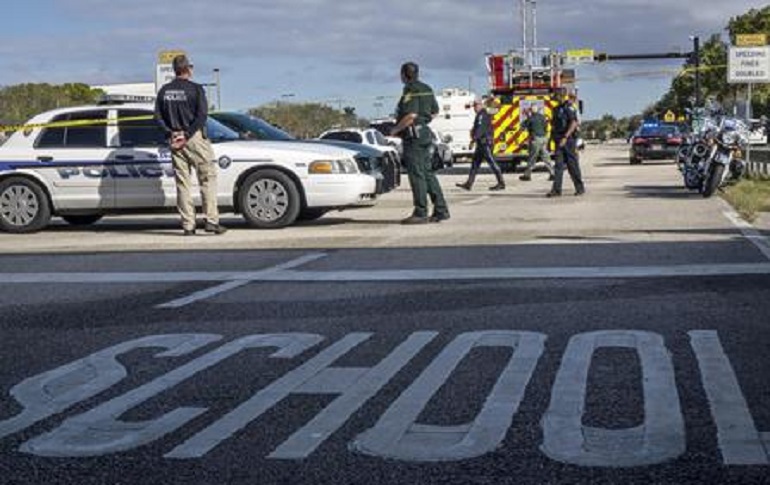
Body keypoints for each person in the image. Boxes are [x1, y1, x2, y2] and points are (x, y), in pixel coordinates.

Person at [155, 54, 226, 235]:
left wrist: (171, 133)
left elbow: (157, 117)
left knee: (182, 183)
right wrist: (187, 134)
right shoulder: (196, 89)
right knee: (207, 178)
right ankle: (211, 220)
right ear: (187, 69)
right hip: (193, 137)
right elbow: (202, 116)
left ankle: (188, 225)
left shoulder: (164, 91)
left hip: (174, 138)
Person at [390, 62, 450, 224]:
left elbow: (411, 115)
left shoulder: (411, 90)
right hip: (424, 134)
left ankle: (421, 211)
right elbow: (435, 111)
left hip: (413, 137)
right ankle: (440, 209)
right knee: (428, 173)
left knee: (417, 175)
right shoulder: (427, 88)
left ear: (404, 74)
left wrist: (395, 130)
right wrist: (425, 120)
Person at [456, 97, 505, 191]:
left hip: (485, 143)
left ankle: (501, 183)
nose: (474, 108)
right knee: (475, 164)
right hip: (481, 143)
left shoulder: (482, 114)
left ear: (480, 105)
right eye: (474, 106)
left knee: (492, 162)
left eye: (475, 106)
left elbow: (480, 129)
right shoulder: (482, 113)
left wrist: (473, 140)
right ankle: (468, 184)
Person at [547, 93, 585, 197]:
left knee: (572, 165)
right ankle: (556, 190)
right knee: (558, 166)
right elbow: (553, 126)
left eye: (557, 96)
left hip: (568, 141)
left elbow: (573, 123)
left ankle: (580, 188)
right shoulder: (555, 109)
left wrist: (565, 137)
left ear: (563, 96)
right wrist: (549, 141)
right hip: (558, 140)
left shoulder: (569, 108)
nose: (555, 98)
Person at [520, 105, 554, 181]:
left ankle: (527, 175)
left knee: (532, 157)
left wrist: (526, 115)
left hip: (536, 139)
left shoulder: (531, 118)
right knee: (546, 156)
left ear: (531, 111)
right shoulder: (542, 117)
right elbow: (546, 127)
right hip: (544, 138)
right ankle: (552, 173)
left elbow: (522, 126)